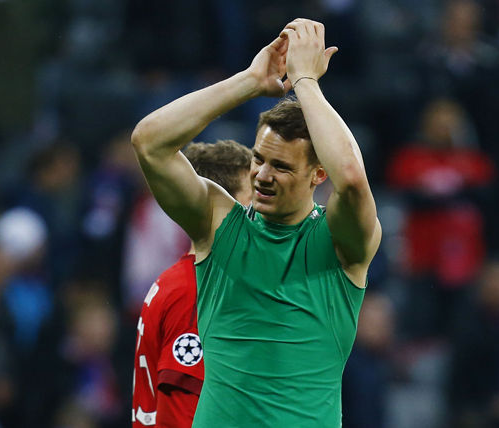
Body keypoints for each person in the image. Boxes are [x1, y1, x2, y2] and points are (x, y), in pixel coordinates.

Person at [131, 18, 381, 427]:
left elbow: (352, 178)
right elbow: (149, 143)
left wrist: (305, 81)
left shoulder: (340, 243)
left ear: (318, 175)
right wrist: (249, 80)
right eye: (258, 159)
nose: (262, 175)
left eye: (280, 166)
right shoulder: (218, 224)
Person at [132, 140, 253, 427]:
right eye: (253, 200)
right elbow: (181, 413)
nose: (262, 214)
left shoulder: (179, 280)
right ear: (222, 207)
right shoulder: (196, 290)